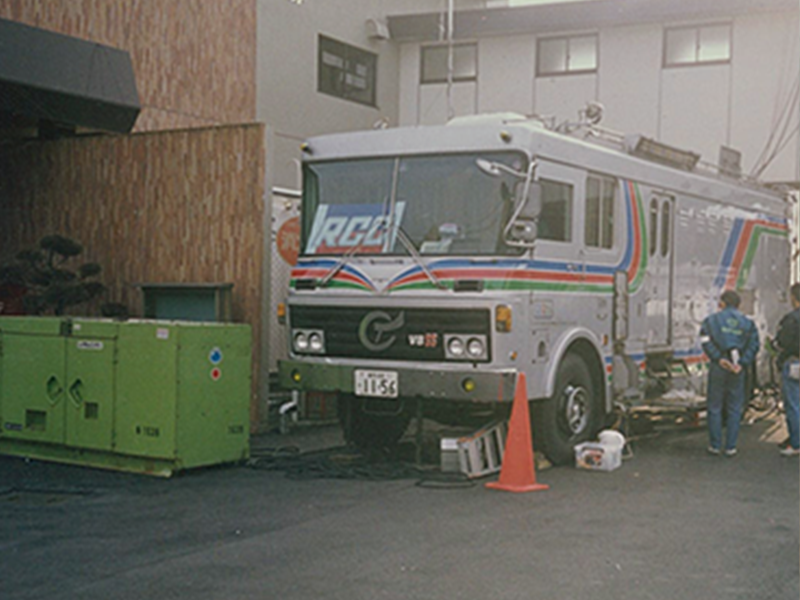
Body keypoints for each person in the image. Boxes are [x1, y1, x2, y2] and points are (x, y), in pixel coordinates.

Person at [699, 289, 760, 457]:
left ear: (722, 303)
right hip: (737, 367)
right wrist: (742, 363)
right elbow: (754, 345)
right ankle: (731, 446)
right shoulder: (748, 323)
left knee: (715, 406)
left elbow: (704, 340)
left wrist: (718, 358)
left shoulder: (711, 321)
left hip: (719, 366)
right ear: (738, 305)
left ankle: (715, 445)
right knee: (734, 407)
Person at [773, 283, 800, 457]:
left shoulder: (792, 319)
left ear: (793, 298)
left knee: (793, 405)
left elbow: (784, 343)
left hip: (795, 364)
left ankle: (796, 443)